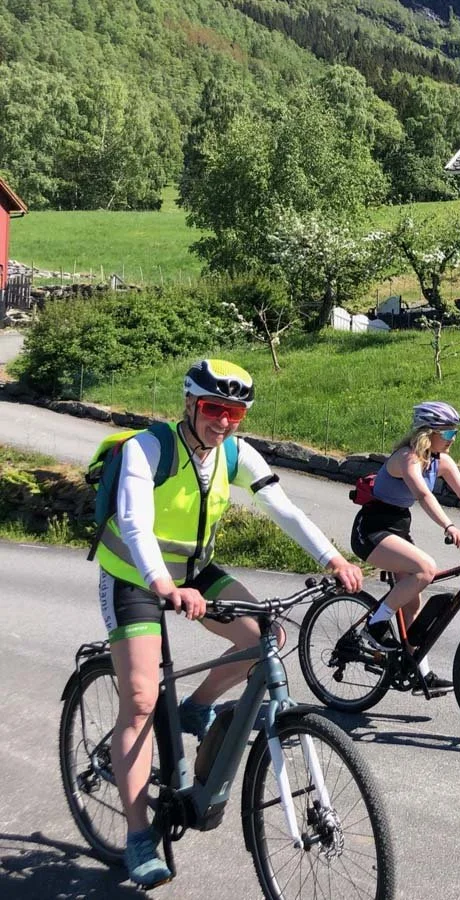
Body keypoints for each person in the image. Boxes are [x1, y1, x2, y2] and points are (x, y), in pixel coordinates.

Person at [96, 359, 363, 888]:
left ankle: (196, 709)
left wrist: (332, 558)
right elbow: (133, 520)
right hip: (133, 574)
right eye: (215, 409)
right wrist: (162, 585)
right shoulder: (147, 449)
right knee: (143, 700)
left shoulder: (236, 454)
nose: (224, 421)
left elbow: (283, 508)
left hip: (195, 571)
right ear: (191, 405)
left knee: (263, 635)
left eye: (235, 412)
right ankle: (138, 833)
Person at [351, 401, 460, 689]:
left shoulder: (441, 461)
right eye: (450, 434)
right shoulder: (407, 458)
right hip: (372, 530)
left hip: (398, 529)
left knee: (412, 602)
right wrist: (449, 526)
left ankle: (419, 673)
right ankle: (374, 626)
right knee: (426, 569)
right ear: (429, 433)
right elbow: (423, 495)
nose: (454, 439)